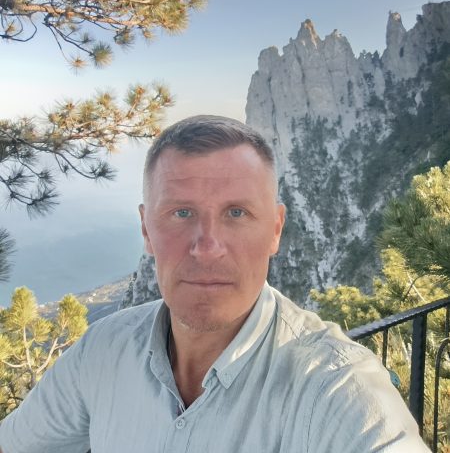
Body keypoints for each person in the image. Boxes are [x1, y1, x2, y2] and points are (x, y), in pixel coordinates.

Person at [0, 115, 430, 453]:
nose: (207, 248)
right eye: (181, 213)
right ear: (146, 229)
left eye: (236, 213)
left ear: (275, 229)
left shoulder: (337, 388)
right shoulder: (101, 353)